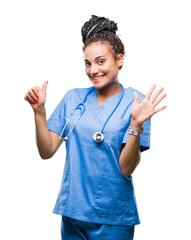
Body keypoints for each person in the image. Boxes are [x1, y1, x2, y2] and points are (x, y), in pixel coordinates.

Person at [24, 15, 166, 240]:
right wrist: (39, 111)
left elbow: (127, 167)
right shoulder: (73, 99)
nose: (93, 70)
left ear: (119, 59)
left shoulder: (137, 103)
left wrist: (136, 124)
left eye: (101, 61)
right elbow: (46, 151)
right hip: (73, 213)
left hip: (114, 217)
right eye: (87, 63)